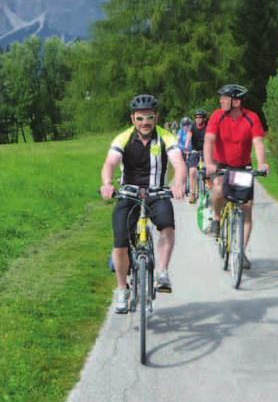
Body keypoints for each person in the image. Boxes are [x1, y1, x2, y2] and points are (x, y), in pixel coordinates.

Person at [100, 94, 187, 314]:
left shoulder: (166, 137)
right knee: (120, 242)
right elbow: (110, 163)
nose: (144, 122)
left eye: (149, 117)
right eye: (140, 118)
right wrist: (107, 183)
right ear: (133, 119)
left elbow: (179, 163)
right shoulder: (124, 138)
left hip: (157, 192)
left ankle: (162, 272)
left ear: (156, 117)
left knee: (167, 226)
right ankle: (122, 289)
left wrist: (178, 183)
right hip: (128, 193)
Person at [203, 84, 269, 270]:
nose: (221, 100)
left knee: (246, 209)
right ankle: (216, 218)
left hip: (242, 167)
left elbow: (258, 142)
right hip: (220, 164)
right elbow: (209, 140)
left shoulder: (251, 118)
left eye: (225, 98)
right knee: (218, 189)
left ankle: (240, 252)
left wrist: (262, 163)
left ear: (237, 101)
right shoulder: (217, 116)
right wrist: (208, 164)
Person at [184, 110, 208, 203]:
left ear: (203, 118)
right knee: (192, 170)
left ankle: (208, 184)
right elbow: (189, 137)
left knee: (208, 168)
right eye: (197, 117)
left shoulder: (207, 127)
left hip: (206, 150)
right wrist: (186, 146)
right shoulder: (192, 127)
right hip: (195, 150)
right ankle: (193, 194)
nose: (198, 119)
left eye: (200, 117)